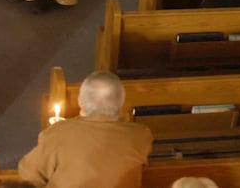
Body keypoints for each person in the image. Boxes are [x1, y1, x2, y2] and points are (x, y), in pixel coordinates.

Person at [18, 71, 153, 187]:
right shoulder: (141, 134)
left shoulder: (58, 132)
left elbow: (29, 175)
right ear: (121, 103)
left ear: (80, 101)